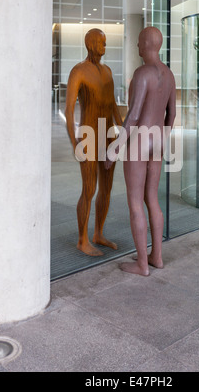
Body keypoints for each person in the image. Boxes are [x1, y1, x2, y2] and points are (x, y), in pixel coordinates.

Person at [105, 26, 176, 276]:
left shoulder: (142, 73)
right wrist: (163, 140)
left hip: (139, 141)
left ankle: (142, 265)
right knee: (153, 200)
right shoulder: (169, 75)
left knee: (135, 203)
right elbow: (172, 114)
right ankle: (156, 256)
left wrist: (115, 148)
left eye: (138, 43)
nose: (136, 47)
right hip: (156, 141)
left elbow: (133, 115)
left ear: (146, 44)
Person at [65, 28, 123, 256]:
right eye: (102, 43)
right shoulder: (78, 71)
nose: (105, 47)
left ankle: (98, 233)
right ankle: (82, 239)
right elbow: (68, 112)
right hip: (88, 136)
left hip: (108, 135)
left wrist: (125, 132)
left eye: (106, 43)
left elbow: (113, 107)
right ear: (91, 44)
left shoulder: (108, 71)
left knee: (107, 189)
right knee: (89, 189)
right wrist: (75, 143)